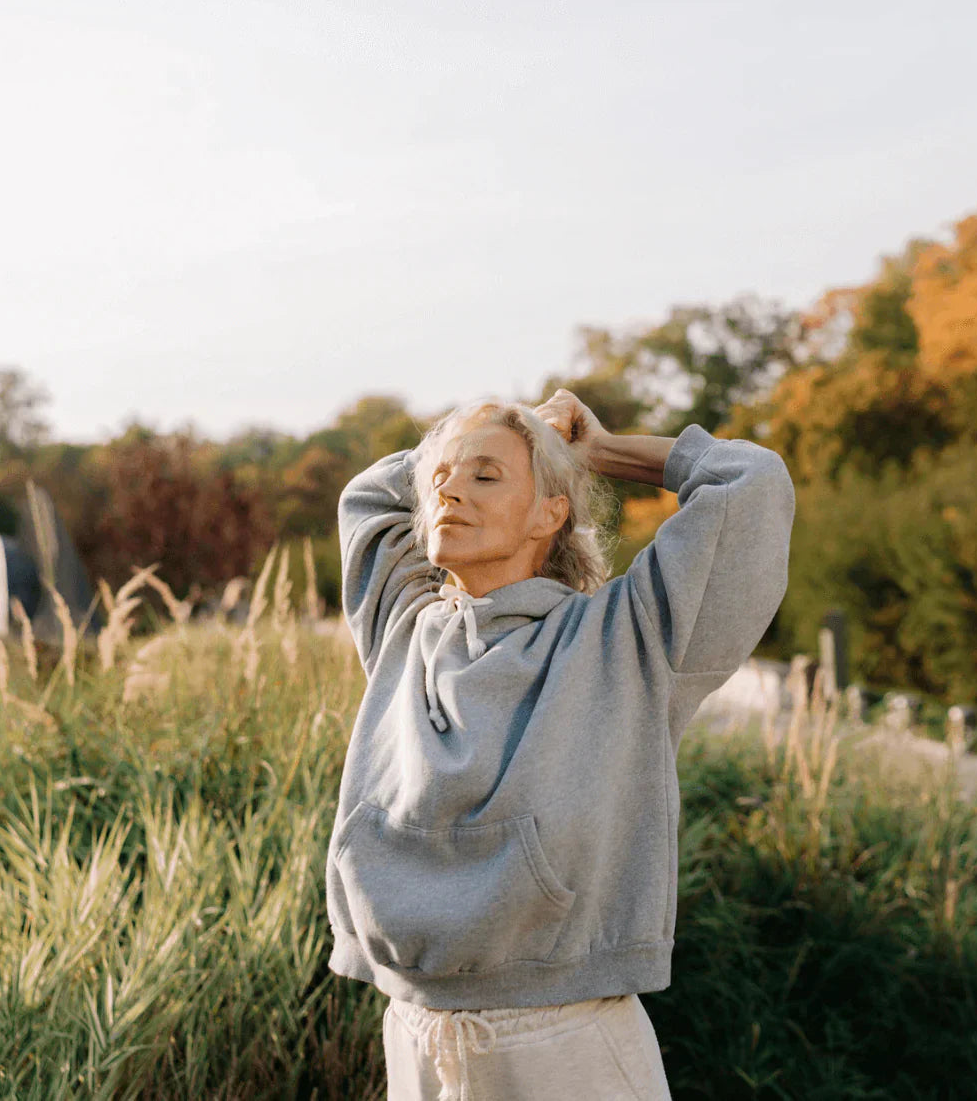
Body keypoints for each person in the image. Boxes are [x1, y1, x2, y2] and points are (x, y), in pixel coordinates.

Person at [326, 388, 796, 1100]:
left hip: (567, 1042)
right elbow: (366, 498)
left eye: (486, 477)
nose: (448, 490)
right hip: (415, 1037)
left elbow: (750, 483)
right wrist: (490, 433)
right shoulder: (402, 628)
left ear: (551, 513)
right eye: (438, 479)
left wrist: (597, 452)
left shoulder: (630, 638)